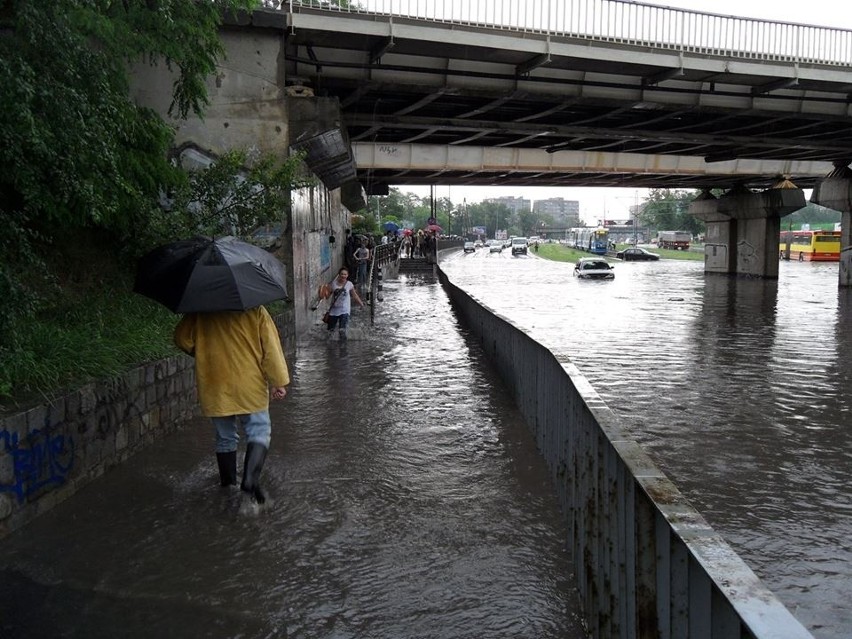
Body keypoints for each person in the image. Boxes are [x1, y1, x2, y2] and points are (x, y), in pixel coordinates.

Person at [173, 306, 289, 505]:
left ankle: (228, 488)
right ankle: (250, 479)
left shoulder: (201, 309)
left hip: (215, 382)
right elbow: (270, 346)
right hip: (249, 382)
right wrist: (278, 380)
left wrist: (203, 353)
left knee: (225, 437)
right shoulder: (256, 310)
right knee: (259, 431)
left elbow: (182, 339)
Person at [324, 267, 365, 340]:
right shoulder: (333, 284)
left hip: (344, 310)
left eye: (345, 274)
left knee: (342, 330)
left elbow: (354, 295)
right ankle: (330, 346)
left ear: (347, 275)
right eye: (342, 274)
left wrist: (361, 304)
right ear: (339, 275)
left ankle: (343, 346)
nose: (343, 276)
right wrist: (323, 292)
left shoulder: (349, 284)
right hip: (334, 310)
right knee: (330, 331)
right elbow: (328, 296)